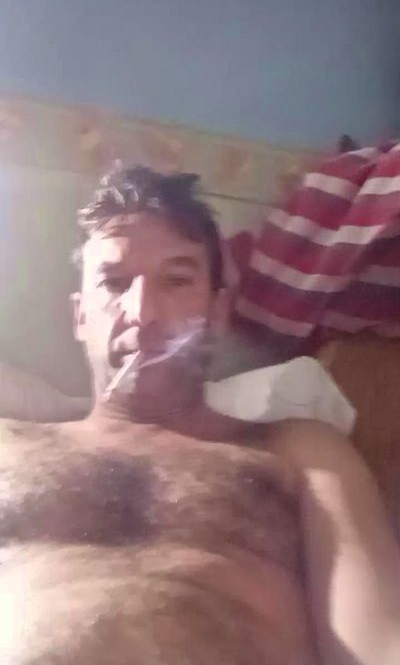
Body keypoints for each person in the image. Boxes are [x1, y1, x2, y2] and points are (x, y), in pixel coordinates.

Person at [0, 166, 399, 665]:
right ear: (80, 316)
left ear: (216, 312)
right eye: (115, 283)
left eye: (176, 280)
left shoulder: (302, 454)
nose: (143, 314)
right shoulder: (9, 446)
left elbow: (379, 643)